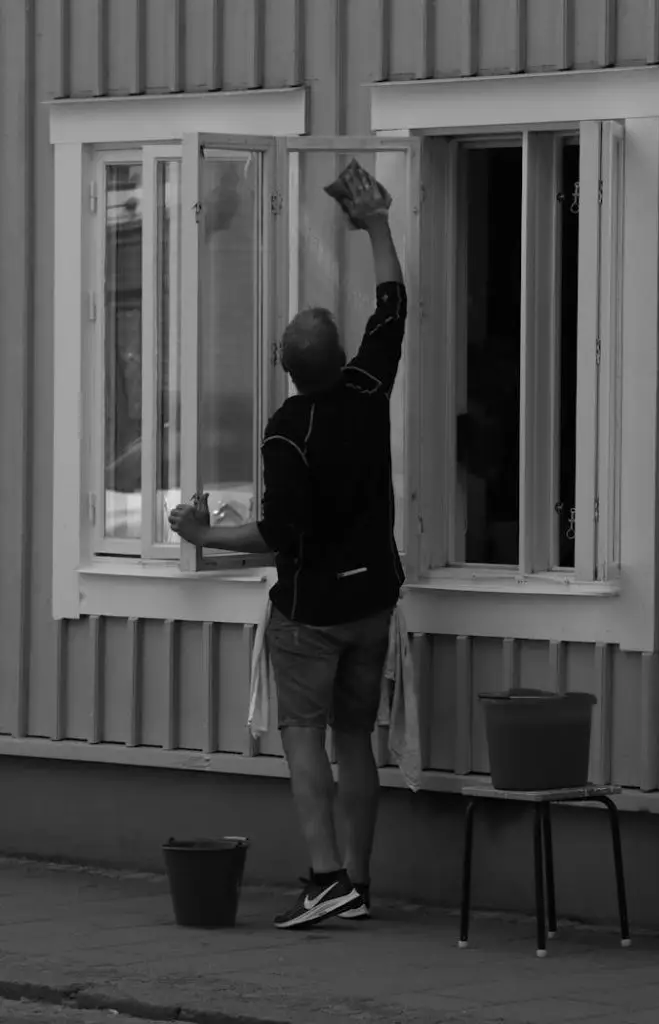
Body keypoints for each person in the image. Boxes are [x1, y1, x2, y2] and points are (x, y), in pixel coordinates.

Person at [169, 167, 406, 930]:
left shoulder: (286, 432)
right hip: (374, 602)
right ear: (339, 356)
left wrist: (203, 534)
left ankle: (325, 878)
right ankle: (361, 884)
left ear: (287, 366)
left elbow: (280, 535)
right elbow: (392, 309)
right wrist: (373, 224)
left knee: (304, 738)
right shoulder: (369, 392)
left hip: (309, 613)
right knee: (356, 741)